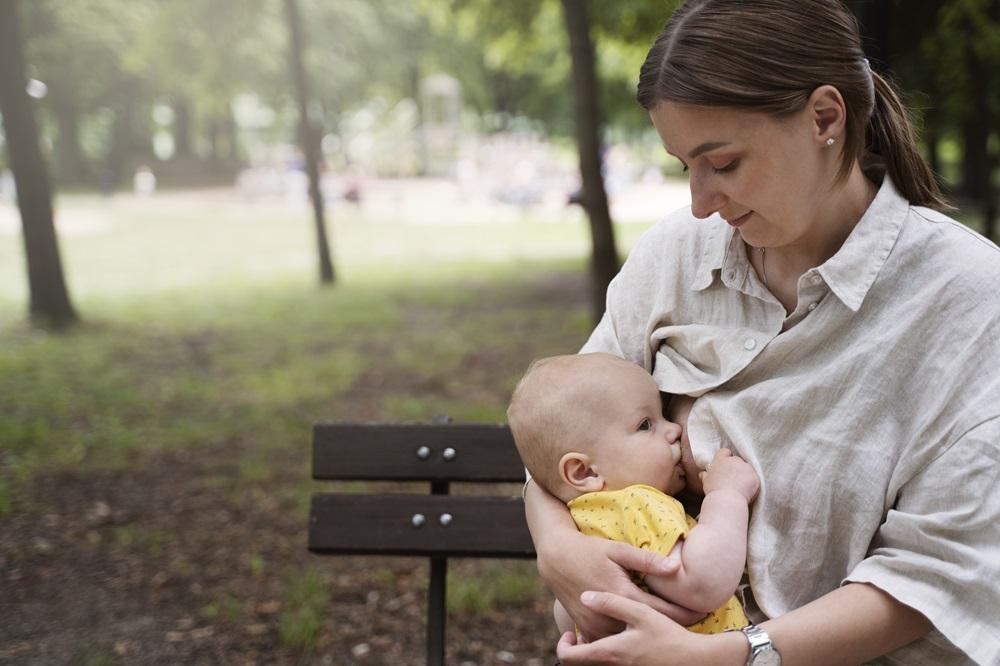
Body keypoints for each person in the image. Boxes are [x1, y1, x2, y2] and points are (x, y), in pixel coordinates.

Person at [524, 1, 1000, 665]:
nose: (700, 203)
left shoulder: (969, 299)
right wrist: (557, 547)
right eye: (684, 166)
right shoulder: (674, 257)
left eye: (722, 163)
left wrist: (728, 656)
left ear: (825, 118)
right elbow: (558, 434)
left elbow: (934, 577)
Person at [507, 353, 758, 637]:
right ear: (584, 472)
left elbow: (567, 618)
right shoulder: (636, 505)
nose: (674, 429)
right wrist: (726, 495)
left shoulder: (583, 524)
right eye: (646, 425)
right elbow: (702, 585)